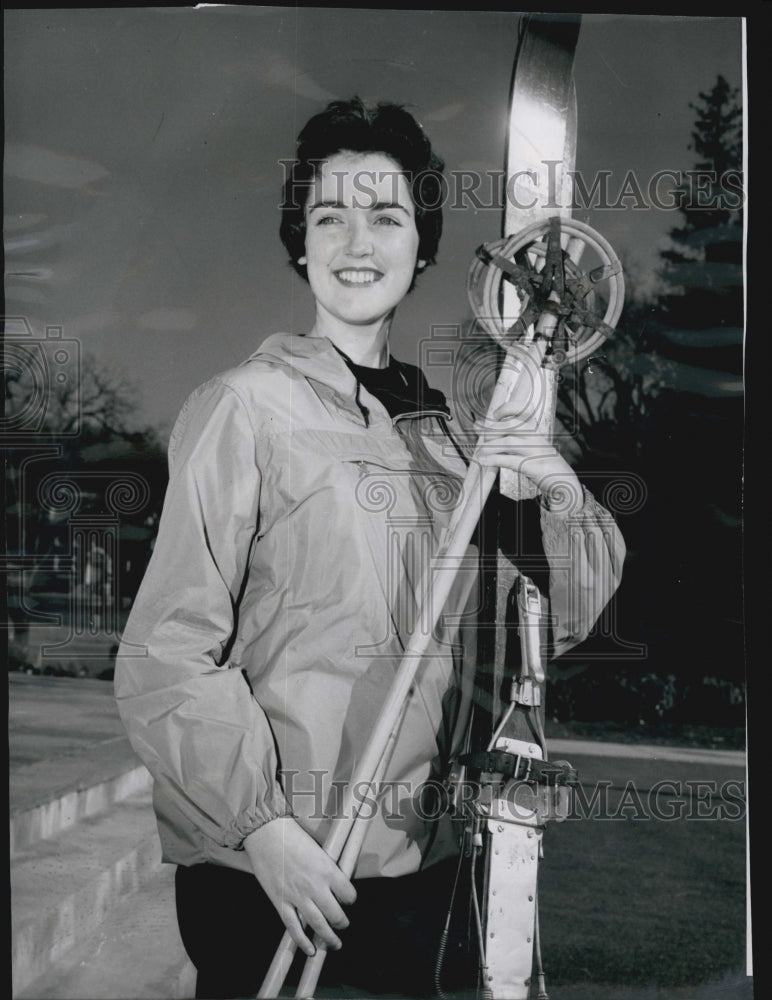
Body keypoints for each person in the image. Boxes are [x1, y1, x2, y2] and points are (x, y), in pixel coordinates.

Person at [115, 97, 624, 999]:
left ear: (424, 246)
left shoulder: (458, 443)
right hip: (273, 879)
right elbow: (167, 653)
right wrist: (262, 830)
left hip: (423, 883)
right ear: (299, 243)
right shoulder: (244, 409)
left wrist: (550, 481)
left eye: (387, 216)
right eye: (329, 216)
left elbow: (557, 623)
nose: (358, 241)